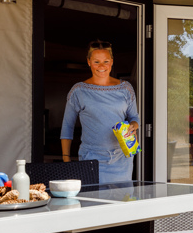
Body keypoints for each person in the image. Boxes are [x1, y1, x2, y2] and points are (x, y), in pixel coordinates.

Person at [60, 40, 140, 184]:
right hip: (90, 159)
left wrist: (134, 125)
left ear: (112, 62)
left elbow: (134, 117)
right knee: (92, 202)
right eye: (96, 61)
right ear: (89, 61)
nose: (102, 66)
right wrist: (66, 159)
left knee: (122, 202)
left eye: (106, 61)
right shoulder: (79, 91)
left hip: (122, 158)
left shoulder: (125, 88)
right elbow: (67, 126)